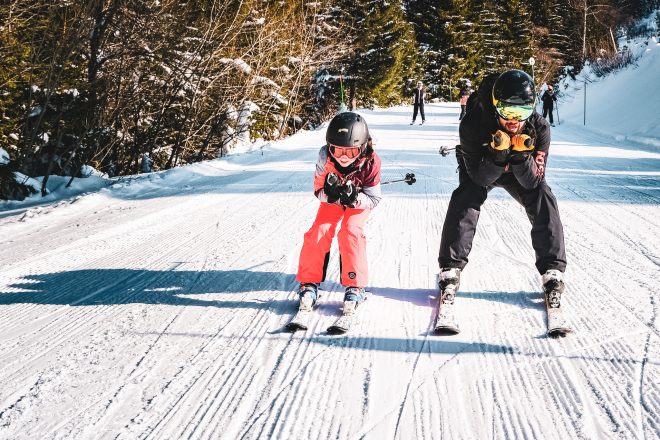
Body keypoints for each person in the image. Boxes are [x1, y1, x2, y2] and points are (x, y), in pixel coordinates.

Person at [437, 69, 567, 322]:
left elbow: (532, 182)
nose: (514, 120)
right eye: (508, 111)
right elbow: (479, 179)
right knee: (466, 197)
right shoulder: (473, 124)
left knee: (543, 197)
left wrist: (518, 156)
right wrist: (497, 154)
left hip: (519, 170)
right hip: (483, 167)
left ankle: (552, 270)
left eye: (522, 112)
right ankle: (450, 268)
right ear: (496, 106)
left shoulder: (539, 128)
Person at [296, 112, 382, 310]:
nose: (343, 157)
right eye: (337, 150)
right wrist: (331, 195)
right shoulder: (325, 157)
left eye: (350, 152)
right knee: (320, 229)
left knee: (350, 231)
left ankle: (355, 285)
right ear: (329, 147)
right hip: (333, 201)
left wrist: (354, 199)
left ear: (362, 147)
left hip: (358, 203)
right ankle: (309, 282)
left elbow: (374, 198)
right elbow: (318, 190)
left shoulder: (371, 162)